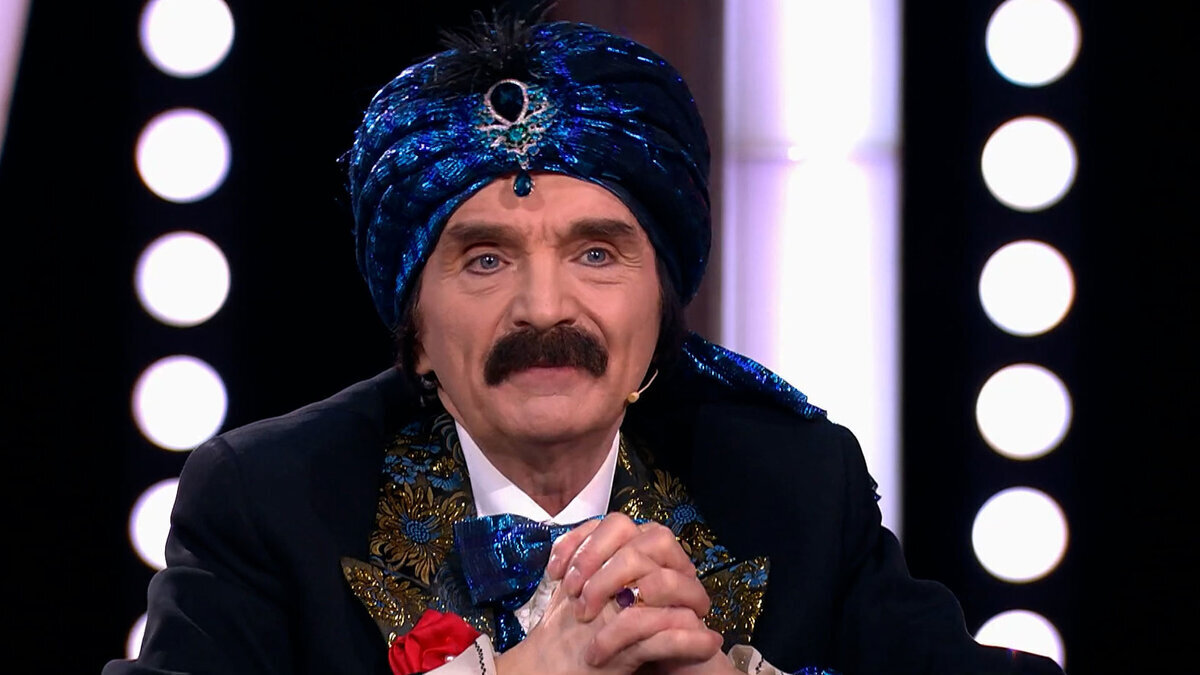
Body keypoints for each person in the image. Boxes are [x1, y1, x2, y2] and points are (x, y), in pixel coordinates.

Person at [105, 12, 1064, 675]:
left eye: (596, 252)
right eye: (485, 259)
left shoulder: (794, 485)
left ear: (663, 305)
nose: (543, 308)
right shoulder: (269, 499)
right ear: (416, 332)